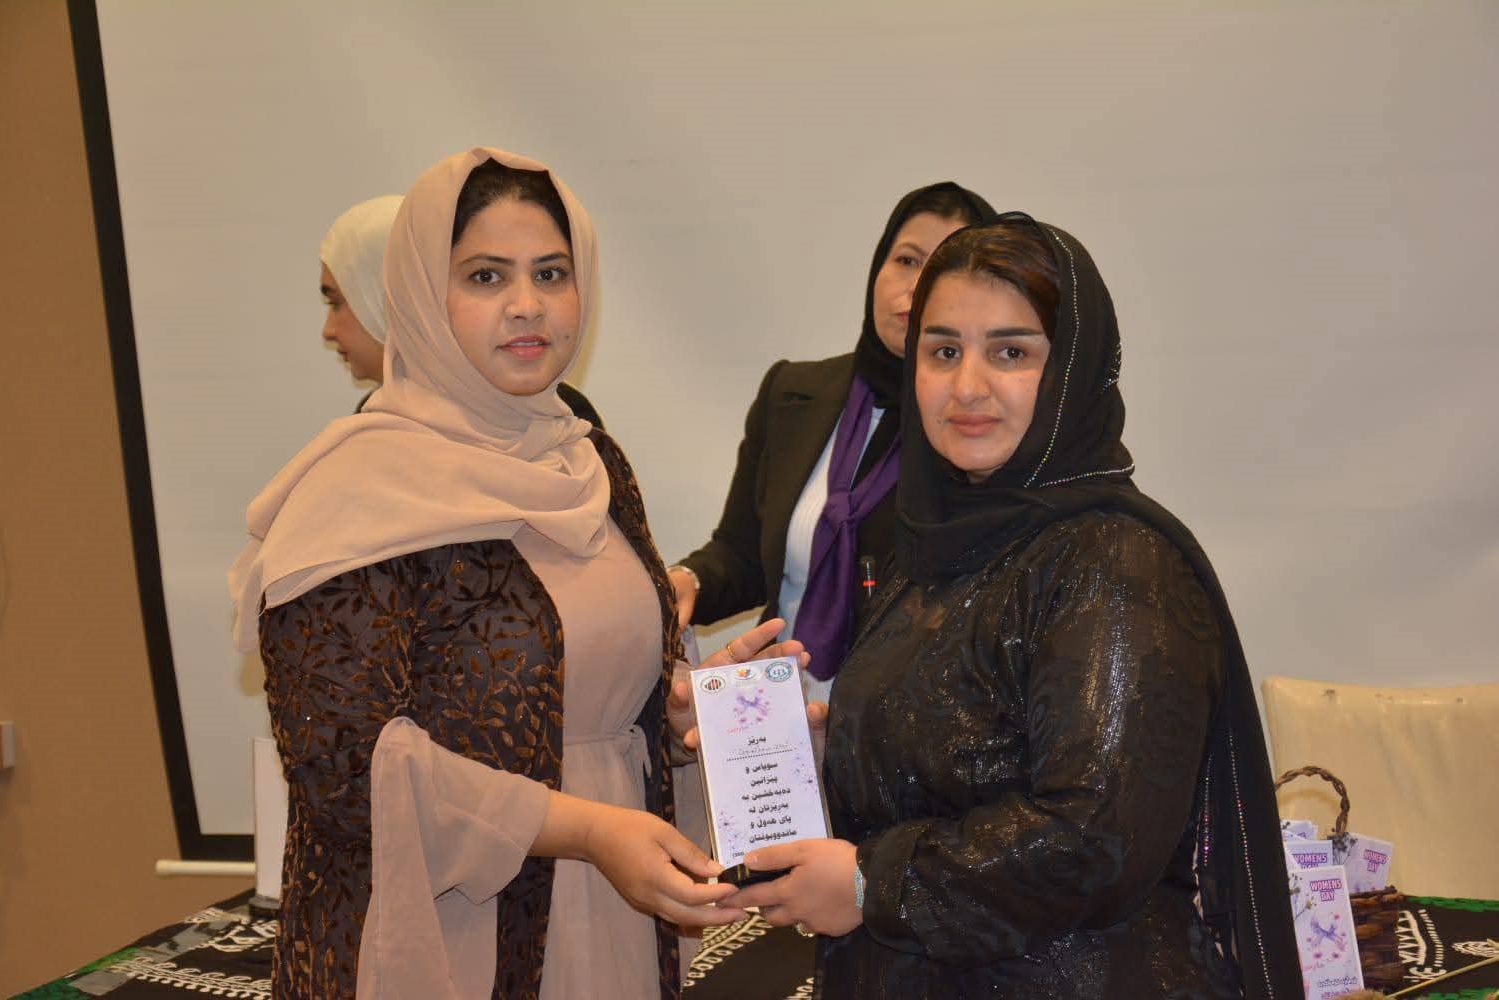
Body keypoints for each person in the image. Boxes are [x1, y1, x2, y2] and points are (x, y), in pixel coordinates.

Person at [230, 147, 797, 999]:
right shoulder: (353, 492)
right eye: (486, 276)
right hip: (441, 936)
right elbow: (345, 770)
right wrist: (585, 829)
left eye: (551, 273)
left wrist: (684, 711)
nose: (527, 304)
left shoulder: (590, 462)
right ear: (419, 296)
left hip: (609, 911)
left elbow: (590, 695)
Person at [723, 218, 1301, 997]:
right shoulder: (932, 549)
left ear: (1073, 371)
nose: (967, 387)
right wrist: (789, 748)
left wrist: (871, 885)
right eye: (942, 351)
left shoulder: (1117, 561)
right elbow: (951, 762)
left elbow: (1093, 838)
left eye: (1011, 353)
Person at [668, 183, 996, 702]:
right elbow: (744, 554)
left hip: (900, 728)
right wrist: (689, 580)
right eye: (906, 260)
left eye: (944, 267)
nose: (916, 285)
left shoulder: (980, 426)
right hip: (773, 718)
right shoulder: (793, 393)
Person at [318, 193, 603, 423]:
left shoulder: (562, 422)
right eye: (486, 277)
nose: (328, 331)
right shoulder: (372, 427)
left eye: (337, 303)